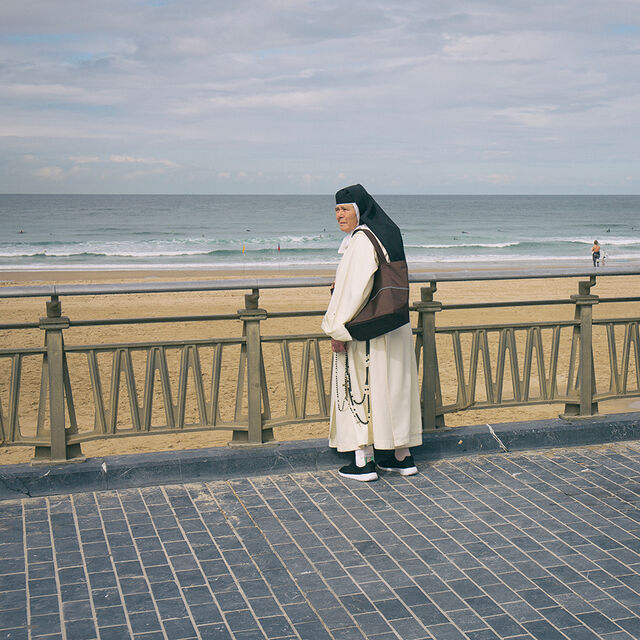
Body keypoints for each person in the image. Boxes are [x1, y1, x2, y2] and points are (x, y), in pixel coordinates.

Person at [321, 184, 422, 481]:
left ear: (359, 210)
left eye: (345, 209)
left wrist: (337, 329)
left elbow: (355, 291)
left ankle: (363, 462)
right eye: (336, 210)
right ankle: (400, 457)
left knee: (360, 387)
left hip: (368, 329)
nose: (339, 215)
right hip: (394, 323)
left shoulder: (362, 240)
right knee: (392, 389)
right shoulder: (386, 233)